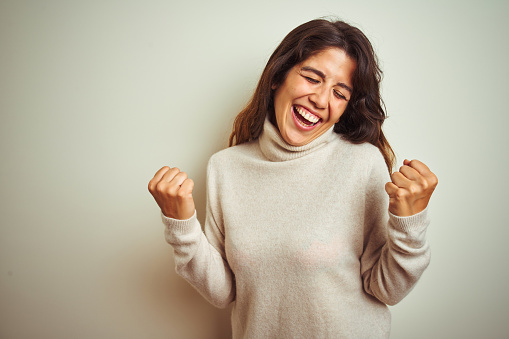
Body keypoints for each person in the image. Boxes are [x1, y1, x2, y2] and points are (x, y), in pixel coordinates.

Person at [148, 18, 438, 338]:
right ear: (277, 77)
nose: (321, 99)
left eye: (340, 93)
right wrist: (180, 224)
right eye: (312, 78)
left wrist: (410, 221)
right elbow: (223, 292)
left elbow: (388, 290)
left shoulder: (363, 163)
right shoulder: (225, 168)